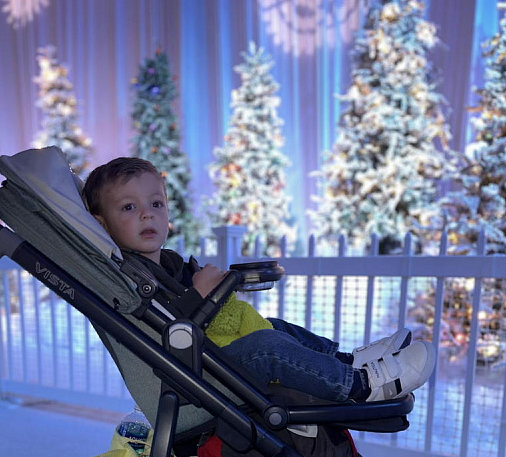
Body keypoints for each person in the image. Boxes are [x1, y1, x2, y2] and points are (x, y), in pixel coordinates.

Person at [82, 157, 436, 404]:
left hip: (213, 354)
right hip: (196, 377)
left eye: (156, 204)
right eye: (128, 207)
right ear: (100, 222)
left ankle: (345, 361)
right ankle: (363, 385)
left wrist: (216, 286)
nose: (147, 214)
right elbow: (164, 330)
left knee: (274, 326)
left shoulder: (169, 261)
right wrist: (199, 294)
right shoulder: (129, 275)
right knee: (267, 346)